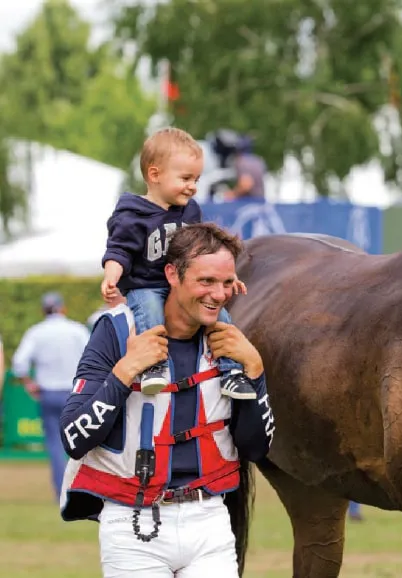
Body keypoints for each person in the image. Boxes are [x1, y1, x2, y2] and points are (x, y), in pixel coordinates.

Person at [59, 222, 275, 578]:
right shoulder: (116, 331)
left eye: (226, 283)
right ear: (172, 274)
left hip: (210, 522)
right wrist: (125, 372)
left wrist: (256, 372)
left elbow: (256, 447)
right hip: (131, 522)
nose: (219, 295)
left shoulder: (231, 344)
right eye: (206, 281)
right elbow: (74, 437)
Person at [101, 127, 256, 401]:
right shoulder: (131, 214)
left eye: (196, 179)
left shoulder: (191, 210)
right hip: (146, 284)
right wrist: (111, 277)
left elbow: (205, 251)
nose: (193, 186)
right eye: (185, 178)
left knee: (221, 316)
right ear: (154, 175)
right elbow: (119, 250)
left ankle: (231, 372)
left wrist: (227, 279)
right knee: (150, 312)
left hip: (183, 286)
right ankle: (154, 366)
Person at [11, 292, 90, 499]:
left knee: (55, 445)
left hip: (49, 394)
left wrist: (29, 383)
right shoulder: (76, 330)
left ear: (43, 310)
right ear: (63, 308)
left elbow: (20, 362)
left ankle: (62, 492)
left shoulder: (36, 332)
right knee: (84, 441)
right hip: (76, 393)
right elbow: (93, 359)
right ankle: (85, 489)